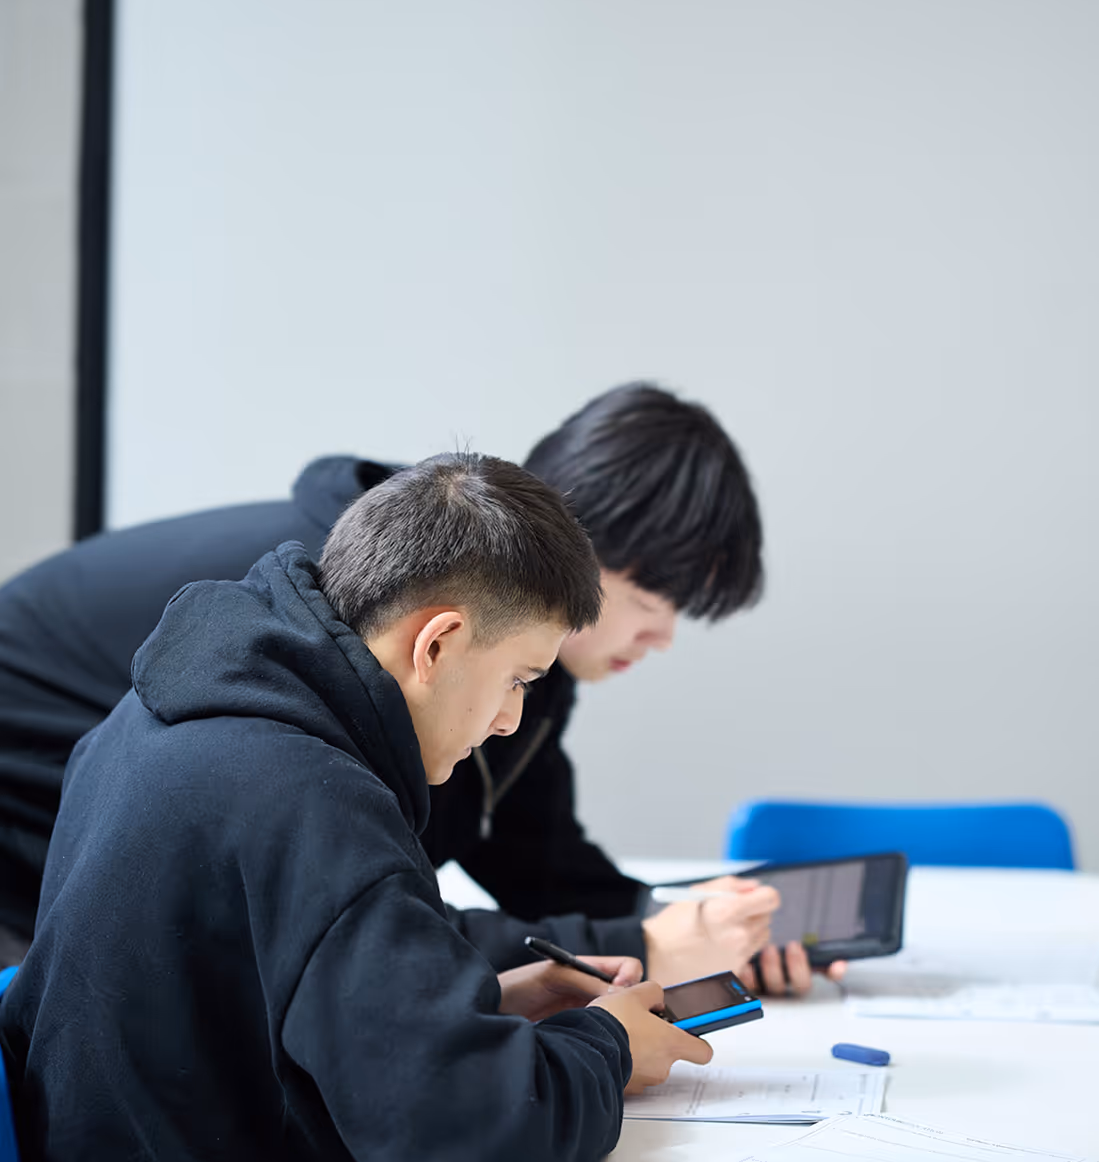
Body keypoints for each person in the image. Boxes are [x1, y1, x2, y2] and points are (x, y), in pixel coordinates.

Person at [0, 454, 713, 1162]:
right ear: (436, 643)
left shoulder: (166, 709)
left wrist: (483, 1001)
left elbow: (254, 999)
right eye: (518, 680)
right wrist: (609, 1047)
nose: (507, 721)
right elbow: (473, 1133)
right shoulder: (313, 799)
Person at [0, 385, 823, 991]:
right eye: (652, 601)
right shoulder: (335, 624)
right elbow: (368, 918)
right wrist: (637, 943)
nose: (663, 636)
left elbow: (529, 854)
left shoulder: (488, 648)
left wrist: (692, 924)